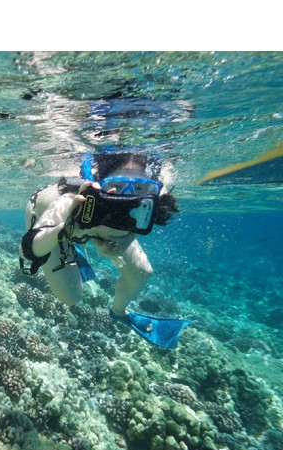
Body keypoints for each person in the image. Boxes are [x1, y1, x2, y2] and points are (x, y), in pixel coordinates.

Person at [19, 148, 190, 348]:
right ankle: (72, 247)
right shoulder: (72, 200)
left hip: (82, 230)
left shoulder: (146, 202)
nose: (126, 199)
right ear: (99, 183)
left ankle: (119, 312)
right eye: (116, 186)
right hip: (50, 223)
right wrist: (63, 230)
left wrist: (121, 243)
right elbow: (26, 251)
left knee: (142, 271)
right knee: (71, 297)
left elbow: (137, 227)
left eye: (139, 188)